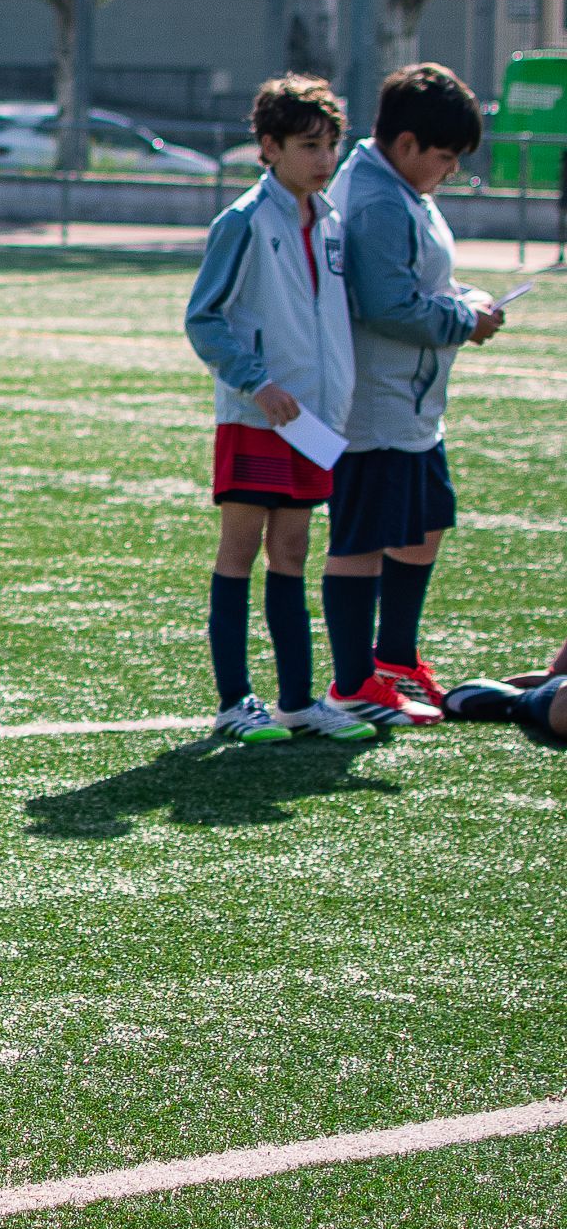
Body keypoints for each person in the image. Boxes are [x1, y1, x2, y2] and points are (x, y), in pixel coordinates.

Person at [182, 75, 373, 743]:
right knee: (240, 551)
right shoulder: (241, 221)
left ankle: (297, 702)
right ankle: (235, 701)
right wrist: (257, 383)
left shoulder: (332, 223)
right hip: (256, 417)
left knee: (292, 550)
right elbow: (204, 320)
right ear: (268, 147)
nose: (324, 160)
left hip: (314, 425)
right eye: (308, 145)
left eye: (332, 145)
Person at [318, 64, 504, 729]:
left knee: (425, 527)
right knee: (361, 539)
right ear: (405, 144)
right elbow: (387, 305)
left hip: (415, 402)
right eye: (445, 157)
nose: (450, 171)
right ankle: (352, 682)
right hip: (375, 405)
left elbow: (421, 281)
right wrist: (465, 320)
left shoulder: (402, 188)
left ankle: (393, 656)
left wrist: (462, 298)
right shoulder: (375, 199)